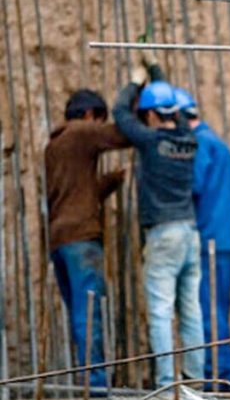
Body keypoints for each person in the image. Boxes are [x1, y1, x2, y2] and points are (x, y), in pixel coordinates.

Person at [112, 58, 204, 388]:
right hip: (190, 233)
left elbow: (120, 114)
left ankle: (167, 384)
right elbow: (174, 109)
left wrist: (136, 83)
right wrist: (157, 73)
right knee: (191, 311)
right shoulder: (188, 140)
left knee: (161, 313)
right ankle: (195, 384)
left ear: (151, 114)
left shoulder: (151, 142)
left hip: (164, 234)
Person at [45, 89, 130, 389]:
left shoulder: (54, 145)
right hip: (81, 239)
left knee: (79, 315)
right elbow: (122, 135)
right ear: (90, 115)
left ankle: (88, 382)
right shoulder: (81, 132)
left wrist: (109, 182)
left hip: (59, 240)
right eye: (99, 120)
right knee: (89, 315)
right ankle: (94, 387)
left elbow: (76, 193)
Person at [175, 87, 230, 385]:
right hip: (225, 239)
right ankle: (221, 377)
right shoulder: (220, 145)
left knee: (209, 314)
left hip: (208, 240)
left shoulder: (199, 144)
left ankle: (218, 380)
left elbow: (193, 185)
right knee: (217, 311)